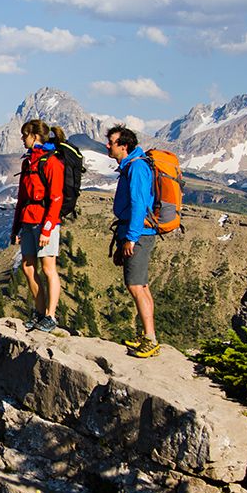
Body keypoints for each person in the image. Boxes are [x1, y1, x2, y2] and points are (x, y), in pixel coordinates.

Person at [106, 125, 160, 358]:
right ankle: (148, 336)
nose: (108, 146)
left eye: (111, 142)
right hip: (135, 232)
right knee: (142, 285)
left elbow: (139, 205)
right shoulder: (133, 165)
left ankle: (150, 339)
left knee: (136, 286)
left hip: (138, 234)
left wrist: (130, 238)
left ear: (124, 146)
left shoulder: (137, 167)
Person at [11, 119, 65, 332]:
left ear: (34, 136)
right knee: (27, 266)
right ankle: (40, 311)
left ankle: (51, 316)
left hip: (44, 222)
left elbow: (57, 198)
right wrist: (15, 228)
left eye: (25, 135)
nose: (23, 139)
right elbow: (21, 198)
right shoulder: (28, 162)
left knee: (48, 268)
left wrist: (47, 228)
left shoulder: (51, 162)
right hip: (28, 219)